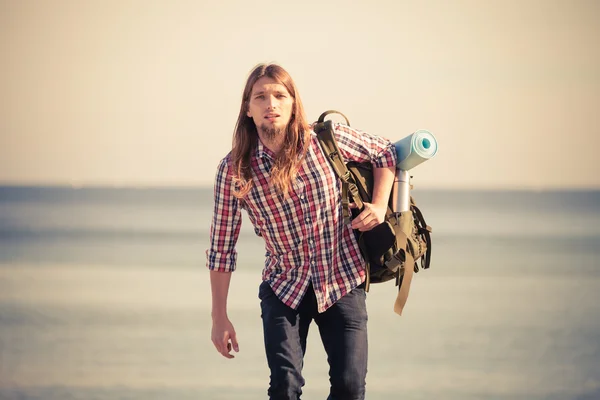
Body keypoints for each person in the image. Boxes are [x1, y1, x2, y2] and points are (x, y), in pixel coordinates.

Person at [206, 63, 397, 400]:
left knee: (351, 388)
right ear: (248, 109)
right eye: (260, 97)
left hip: (342, 281)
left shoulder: (326, 140)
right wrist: (219, 317)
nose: (271, 104)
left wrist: (379, 206)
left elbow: (385, 151)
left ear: (293, 104)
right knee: (285, 387)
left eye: (280, 95)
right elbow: (222, 247)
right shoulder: (235, 168)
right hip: (283, 287)